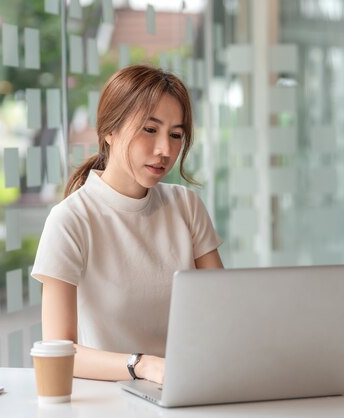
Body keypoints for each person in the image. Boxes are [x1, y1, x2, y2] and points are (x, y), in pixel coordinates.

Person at [31, 64, 223, 385]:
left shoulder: (186, 206)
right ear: (110, 130)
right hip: (110, 400)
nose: (165, 150)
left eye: (176, 135)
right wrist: (143, 365)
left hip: (187, 389)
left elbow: (225, 310)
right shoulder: (71, 220)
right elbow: (59, 350)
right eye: (150, 129)